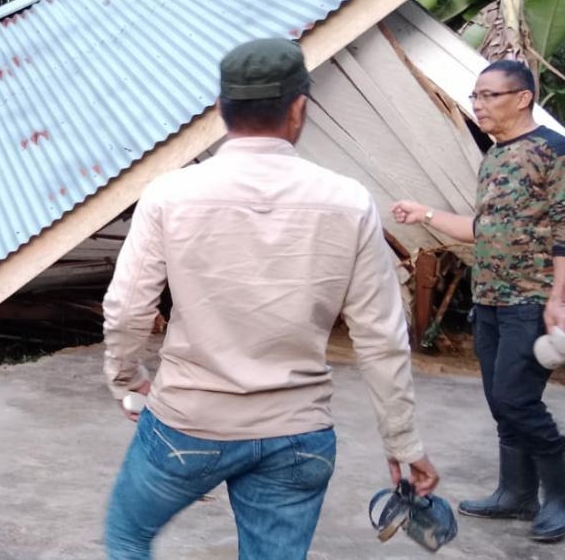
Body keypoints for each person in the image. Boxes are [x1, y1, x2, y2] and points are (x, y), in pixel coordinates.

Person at [102, 38, 439, 560]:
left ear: (220, 109)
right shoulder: (348, 202)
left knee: (128, 536)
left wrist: (128, 378)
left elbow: (126, 310)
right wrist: (402, 443)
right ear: (299, 108)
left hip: (189, 423)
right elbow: (381, 337)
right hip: (298, 435)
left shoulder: (169, 195)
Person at [391, 59, 565, 543]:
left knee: (516, 397)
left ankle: (560, 492)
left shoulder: (553, 150)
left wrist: (559, 297)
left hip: (531, 298)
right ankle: (516, 492)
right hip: (489, 296)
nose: (478, 105)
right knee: (499, 400)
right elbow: (481, 228)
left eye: (489, 95)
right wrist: (424, 212)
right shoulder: (494, 156)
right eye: (475, 97)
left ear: (523, 97)